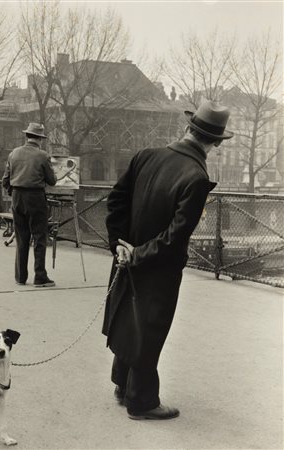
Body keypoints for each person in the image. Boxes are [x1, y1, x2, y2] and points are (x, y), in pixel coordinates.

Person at [102, 100, 234, 420]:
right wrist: (139, 254)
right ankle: (142, 401)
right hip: (157, 268)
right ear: (215, 142)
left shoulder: (146, 155)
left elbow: (116, 201)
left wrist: (119, 245)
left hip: (125, 256)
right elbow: (176, 236)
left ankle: (123, 384)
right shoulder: (197, 176)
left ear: (188, 128)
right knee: (151, 329)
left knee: (128, 318)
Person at [2, 123, 57, 287]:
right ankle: (40, 276)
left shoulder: (14, 153)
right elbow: (52, 181)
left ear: (27, 136)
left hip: (17, 198)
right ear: (40, 139)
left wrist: (14, 192)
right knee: (39, 237)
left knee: (21, 237)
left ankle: (20, 277)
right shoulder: (42, 155)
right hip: (36, 198)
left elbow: (5, 180)